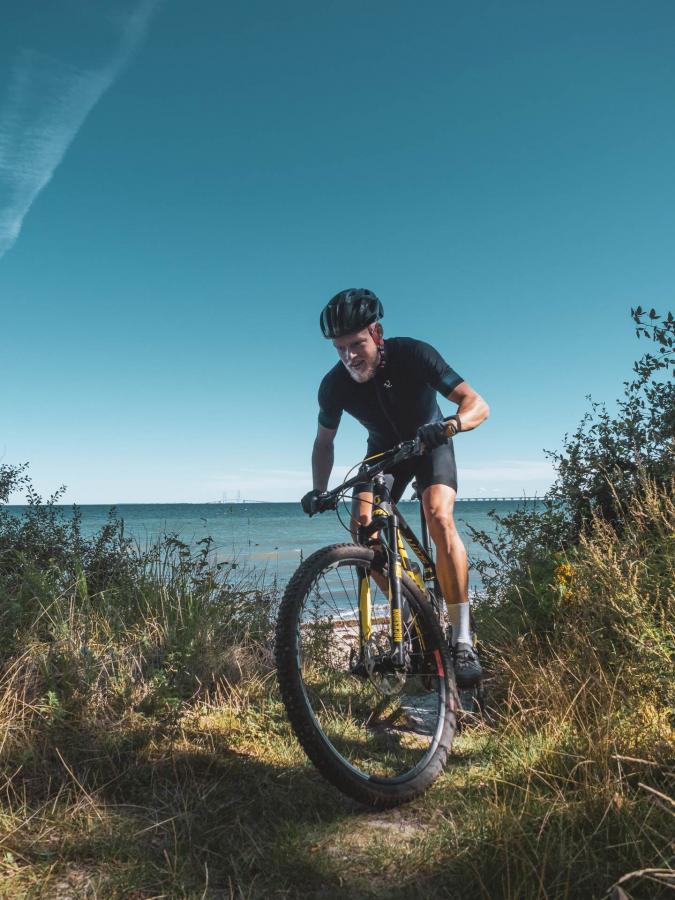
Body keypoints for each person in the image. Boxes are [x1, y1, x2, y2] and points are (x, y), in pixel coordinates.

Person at [301, 288, 490, 687]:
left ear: (378, 333)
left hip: (429, 442)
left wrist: (450, 425)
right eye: (340, 348)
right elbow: (324, 442)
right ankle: (415, 617)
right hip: (382, 452)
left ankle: (462, 639)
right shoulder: (333, 385)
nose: (349, 355)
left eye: (357, 344)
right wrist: (319, 489)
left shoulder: (413, 354)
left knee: (438, 515)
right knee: (362, 530)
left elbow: (476, 404)